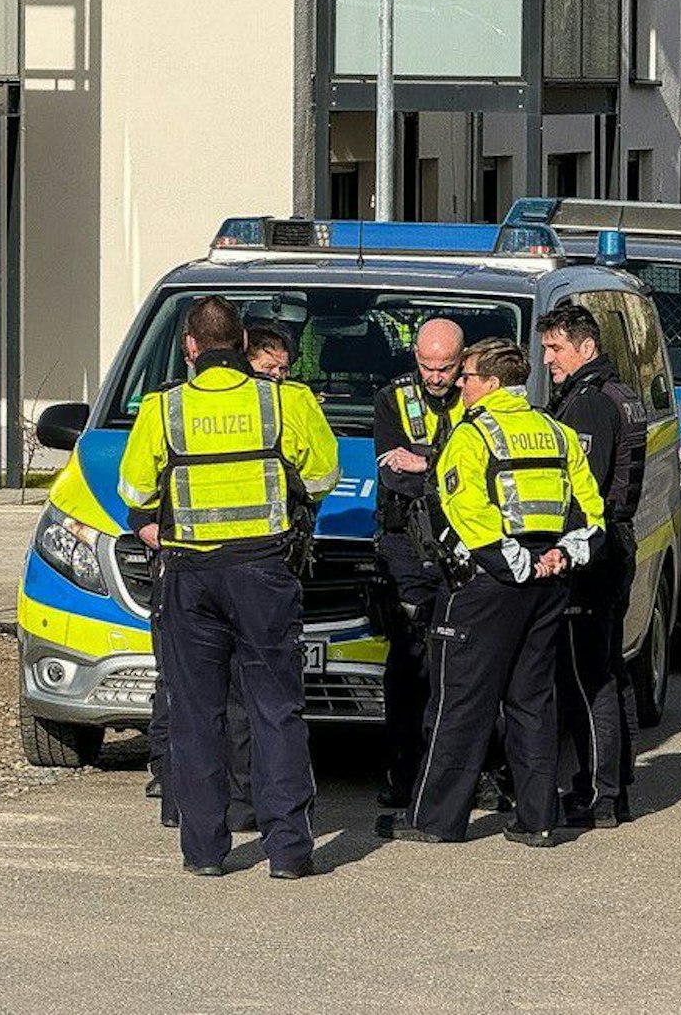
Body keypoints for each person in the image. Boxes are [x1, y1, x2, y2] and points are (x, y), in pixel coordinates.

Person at [118, 296, 339, 878]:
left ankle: (205, 852)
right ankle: (289, 851)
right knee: (276, 710)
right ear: (243, 344)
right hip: (264, 570)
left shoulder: (162, 409)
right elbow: (323, 475)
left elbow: (135, 490)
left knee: (197, 716)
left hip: (190, 577)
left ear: (190, 347)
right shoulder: (284, 401)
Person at [375, 337, 604, 847]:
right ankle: (537, 819)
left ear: (491, 384)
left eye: (468, 376)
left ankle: (435, 821)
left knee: (461, 701)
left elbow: (468, 514)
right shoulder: (558, 433)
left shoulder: (471, 435)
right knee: (532, 702)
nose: (460, 383)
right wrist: (559, 556)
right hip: (548, 585)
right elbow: (591, 514)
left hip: (488, 583)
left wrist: (515, 563)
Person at [537, 303, 648, 829]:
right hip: (614, 548)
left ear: (586, 348)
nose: (547, 358)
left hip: (593, 554)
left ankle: (594, 792)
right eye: (544, 348)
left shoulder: (588, 405)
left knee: (588, 677)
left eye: (556, 348)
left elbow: (584, 492)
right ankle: (615, 786)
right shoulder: (616, 393)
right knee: (609, 669)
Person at [369, 318, 464, 808]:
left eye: (444, 366)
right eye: (426, 365)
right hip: (406, 544)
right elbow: (394, 478)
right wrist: (447, 465)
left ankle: (474, 772)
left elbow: (482, 470)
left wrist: (425, 460)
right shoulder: (393, 399)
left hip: (465, 544)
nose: (435, 376)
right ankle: (404, 773)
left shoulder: (475, 392)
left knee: (464, 666)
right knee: (408, 666)